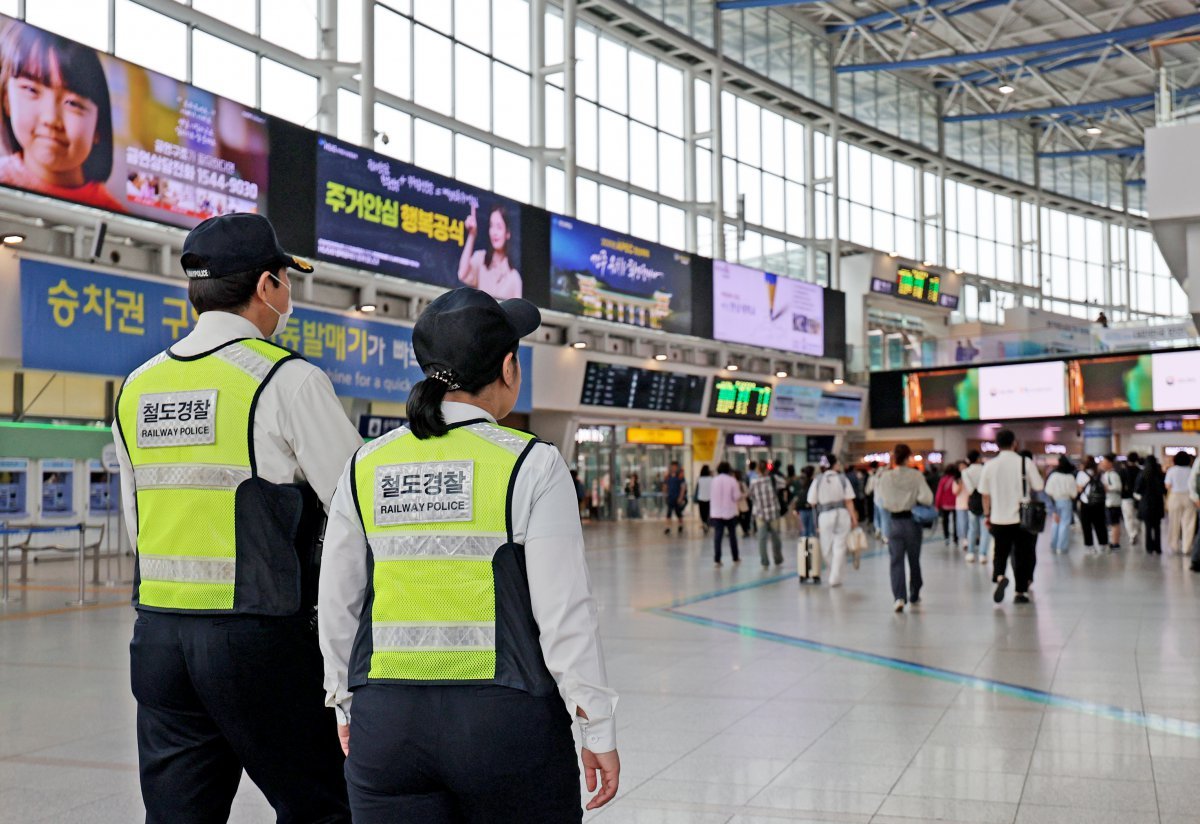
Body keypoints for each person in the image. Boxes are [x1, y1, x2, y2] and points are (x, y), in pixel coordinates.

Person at [318, 288, 619, 821]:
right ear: (508, 367)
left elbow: (338, 598)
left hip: (386, 725)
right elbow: (565, 613)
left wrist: (343, 698)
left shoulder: (366, 464)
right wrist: (595, 725)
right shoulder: (531, 464)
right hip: (505, 723)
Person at [111, 214, 360, 823]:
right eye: (286, 283)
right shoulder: (286, 380)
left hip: (160, 638)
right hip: (259, 635)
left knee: (179, 816)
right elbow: (359, 508)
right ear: (268, 286)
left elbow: (136, 521)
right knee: (323, 806)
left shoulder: (138, 386)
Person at [0, 20, 124, 212]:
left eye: (73, 103)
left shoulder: (112, 211)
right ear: (7, 100)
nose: (51, 119)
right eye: (32, 90)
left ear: (98, 127)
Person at [980, 429, 1044, 605]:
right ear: (1014, 443)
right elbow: (1039, 486)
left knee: (1000, 551)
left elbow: (984, 494)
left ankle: (1000, 576)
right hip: (1021, 519)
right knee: (1022, 555)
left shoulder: (990, 465)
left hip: (998, 517)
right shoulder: (1025, 462)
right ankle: (1020, 592)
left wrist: (987, 514)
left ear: (997, 444)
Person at [874, 444, 932, 612]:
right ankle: (914, 592)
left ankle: (899, 597)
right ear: (908, 457)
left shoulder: (885, 477)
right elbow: (927, 498)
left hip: (893, 523)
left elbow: (882, 501)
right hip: (912, 522)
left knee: (896, 561)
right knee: (914, 560)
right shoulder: (916, 475)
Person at [806, 454, 858, 587]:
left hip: (824, 515)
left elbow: (811, 501)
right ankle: (835, 576)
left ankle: (834, 574)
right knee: (840, 546)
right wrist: (853, 518)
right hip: (842, 514)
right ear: (834, 465)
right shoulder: (842, 479)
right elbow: (849, 501)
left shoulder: (817, 480)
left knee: (826, 548)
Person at [457, 202, 523, 299]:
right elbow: (462, 274)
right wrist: (472, 235)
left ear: (507, 233)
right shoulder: (480, 259)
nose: (494, 232)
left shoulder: (515, 278)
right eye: (492, 226)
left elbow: (518, 312)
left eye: (499, 227)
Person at [749, 465, 784, 567]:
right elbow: (784, 483)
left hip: (760, 513)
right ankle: (778, 559)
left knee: (762, 539)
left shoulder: (753, 482)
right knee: (776, 537)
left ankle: (764, 561)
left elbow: (750, 495)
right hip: (773, 512)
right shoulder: (773, 479)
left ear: (758, 470)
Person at [1075, 456, 1109, 554]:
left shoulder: (1081, 474)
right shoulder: (1100, 473)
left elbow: (1079, 489)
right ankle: (1103, 545)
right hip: (1099, 503)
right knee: (1100, 524)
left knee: (1087, 525)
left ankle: (1090, 546)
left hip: (1086, 503)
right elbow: (1106, 488)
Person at [709, 462, 741, 566]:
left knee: (718, 536)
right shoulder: (732, 481)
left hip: (716, 512)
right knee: (732, 536)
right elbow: (737, 496)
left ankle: (717, 559)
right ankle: (735, 557)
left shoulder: (714, 480)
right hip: (730, 512)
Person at [1165, 451, 1196, 556]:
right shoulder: (1191, 470)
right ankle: (1186, 547)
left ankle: (1174, 546)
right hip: (1189, 497)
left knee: (1174, 522)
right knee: (1189, 522)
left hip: (1175, 496)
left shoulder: (1172, 470)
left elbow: (1168, 486)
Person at [1045, 457, 1078, 554]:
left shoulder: (1054, 476)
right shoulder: (1070, 477)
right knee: (1065, 523)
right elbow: (1074, 494)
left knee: (1056, 523)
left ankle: (1054, 544)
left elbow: (1048, 490)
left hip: (1055, 501)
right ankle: (1062, 547)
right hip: (1066, 501)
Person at [962, 450, 990, 564]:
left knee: (972, 529)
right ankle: (983, 554)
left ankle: (970, 553)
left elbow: (969, 489)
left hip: (973, 501)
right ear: (978, 458)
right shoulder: (985, 469)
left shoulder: (966, 472)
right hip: (985, 500)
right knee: (985, 530)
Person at [1136, 456, 1166, 556]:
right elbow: (1164, 490)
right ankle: (1158, 548)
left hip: (1146, 503)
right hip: (1158, 503)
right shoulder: (1160, 474)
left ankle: (1149, 547)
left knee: (1148, 527)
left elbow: (1137, 489)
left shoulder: (1142, 474)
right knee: (1157, 527)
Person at [1101, 454, 1124, 551]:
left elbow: (1118, 487)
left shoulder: (1113, 474)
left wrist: (1107, 488)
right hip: (1108, 502)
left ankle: (1115, 543)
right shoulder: (1105, 474)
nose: (1102, 464)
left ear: (1110, 463)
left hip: (1113, 502)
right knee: (1112, 523)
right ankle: (1113, 541)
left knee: (1115, 523)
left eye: (1104, 462)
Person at [1120, 452, 1142, 545]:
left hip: (1126, 497)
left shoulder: (1123, 471)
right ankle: (1137, 530)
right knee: (1137, 516)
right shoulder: (1140, 471)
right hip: (1138, 497)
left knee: (1128, 517)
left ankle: (1132, 534)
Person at [935, 466, 960, 545]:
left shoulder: (943, 479)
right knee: (956, 521)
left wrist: (937, 505)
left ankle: (946, 537)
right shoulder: (957, 479)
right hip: (956, 504)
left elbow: (939, 493)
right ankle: (956, 538)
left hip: (945, 504)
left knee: (945, 521)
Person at [662, 461, 687, 535]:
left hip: (677, 497)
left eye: (675, 467)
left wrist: (681, 497)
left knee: (678, 513)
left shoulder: (680, 476)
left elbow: (683, 487)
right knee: (669, 513)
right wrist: (665, 494)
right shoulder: (668, 476)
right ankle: (667, 527)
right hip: (670, 497)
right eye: (672, 466)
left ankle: (680, 525)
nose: (674, 468)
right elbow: (665, 486)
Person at [953, 462, 971, 552]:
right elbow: (955, 493)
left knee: (970, 524)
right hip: (960, 505)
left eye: (964, 466)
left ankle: (970, 540)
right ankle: (965, 540)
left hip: (970, 504)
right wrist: (960, 484)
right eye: (961, 467)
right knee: (963, 524)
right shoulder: (956, 480)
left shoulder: (970, 478)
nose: (963, 468)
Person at [795, 465, 816, 538]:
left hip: (801, 508)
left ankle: (803, 548)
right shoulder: (814, 482)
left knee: (804, 531)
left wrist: (796, 508)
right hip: (811, 508)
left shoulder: (800, 481)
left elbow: (798, 496)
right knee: (811, 531)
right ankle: (811, 548)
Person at [694, 464, 713, 535]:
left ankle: (704, 523)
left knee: (702, 513)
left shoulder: (699, 479)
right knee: (708, 512)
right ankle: (707, 523)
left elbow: (697, 489)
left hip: (701, 498)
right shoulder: (711, 479)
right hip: (709, 498)